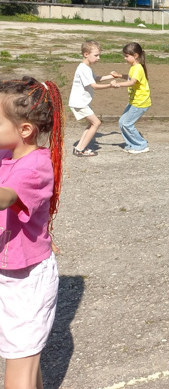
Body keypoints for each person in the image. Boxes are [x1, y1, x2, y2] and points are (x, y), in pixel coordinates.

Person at [0, 77, 64, 388]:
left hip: (27, 282)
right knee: (25, 364)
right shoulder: (6, 153)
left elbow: (6, 197)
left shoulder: (34, 168)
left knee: (18, 371)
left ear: (25, 130)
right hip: (8, 275)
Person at [68, 40, 117, 157]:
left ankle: (80, 147)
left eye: (99, 55)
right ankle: (80, 149)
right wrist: (110, 85)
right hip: (79, 103)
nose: (98, 58)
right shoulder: (83, 68)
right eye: (96, 55)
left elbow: (96, 79)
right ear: (86, 54)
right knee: (96, 123)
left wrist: (111, 76)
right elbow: (94, 85)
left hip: (81, 102)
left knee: (92, 124)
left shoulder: (86, 67)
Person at [110, 43, 151, 154]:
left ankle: (141, 145)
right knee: (122, 122)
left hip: (140, 103)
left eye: (127, 56)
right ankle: (133, 144)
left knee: (127, 124)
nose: (125, 58)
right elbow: (130, 77)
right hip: (134, 101)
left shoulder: (138, 68)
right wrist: (119, 75)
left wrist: (118, 84)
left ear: (135, 55)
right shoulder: (134, 67)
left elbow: (132, 82)